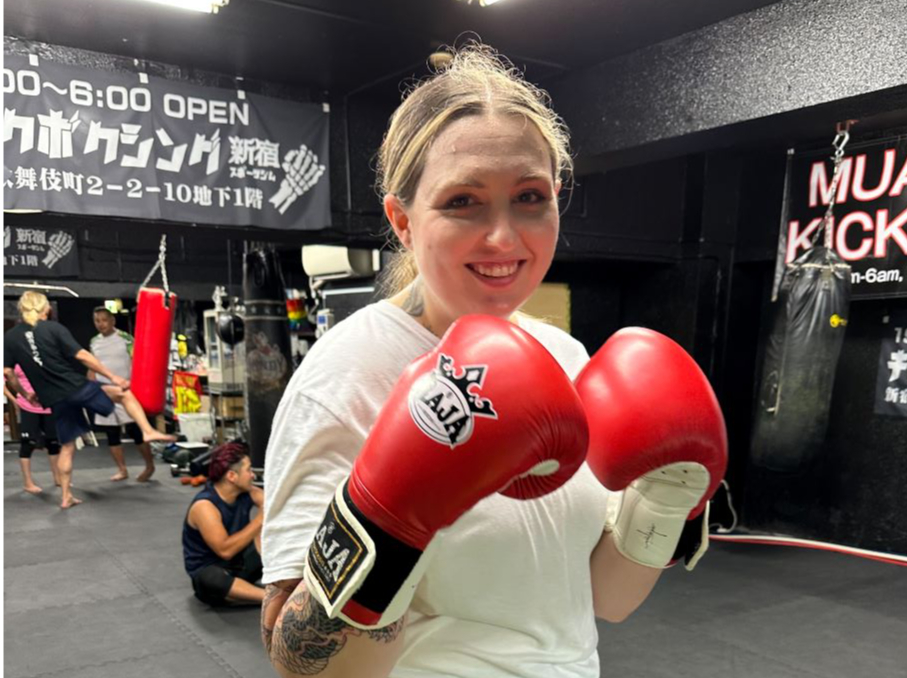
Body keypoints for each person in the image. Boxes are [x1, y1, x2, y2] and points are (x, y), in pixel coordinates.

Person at [259, 44, 726, 678]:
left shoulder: (566, 358)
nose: (504, 236)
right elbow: (297, 663)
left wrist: (663, 504)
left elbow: (605, 600)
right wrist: (391, 518)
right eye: (462, 201)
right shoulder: (350, 374)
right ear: (402, 220)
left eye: (530, 196)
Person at [3, 291, 175, 509]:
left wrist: (26, 394)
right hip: (75, 387)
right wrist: (113, 377)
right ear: (46, 309)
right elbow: (82, 356)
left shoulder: (10, 337)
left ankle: (66, 496)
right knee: (123, 394)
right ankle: (148, 431)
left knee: (67, 447)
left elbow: (7, 372)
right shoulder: (53, 328)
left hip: (55, 399)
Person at [182, 442, 265, 606]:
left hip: (240, 565)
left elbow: (272, 505)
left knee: (274, 532)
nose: (253, 475)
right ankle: (269, 598)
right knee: (211, 579)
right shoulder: (205, 506)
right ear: (232, 476)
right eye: (248, 470)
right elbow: (225, 551)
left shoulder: (245, 491)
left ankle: (250, 591)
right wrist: (261, 518)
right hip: (213, 574)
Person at [88, 306, 155, 482]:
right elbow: (92, 366)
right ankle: (122, 469)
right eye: (97, 321)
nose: (101, 324)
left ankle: (149, 466)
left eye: (104, 320)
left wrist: (137, 385)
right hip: (105, 391)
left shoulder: (126, 339)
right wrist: (90, 387)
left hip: (126, 391)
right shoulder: (94, 342)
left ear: (112, 321)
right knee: (112, 433)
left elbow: (138, 362)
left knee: (135, 430)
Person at [5, 366, 62, 494]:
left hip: (48, 405)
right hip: (28, 406)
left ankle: (58, 478)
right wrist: (14, 401)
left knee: (53, 443)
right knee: (28, 444)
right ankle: (28, 483)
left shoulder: (44, 359)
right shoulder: (17, 362)